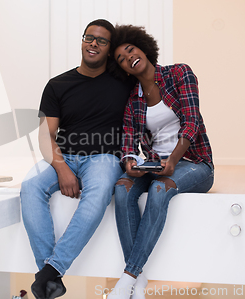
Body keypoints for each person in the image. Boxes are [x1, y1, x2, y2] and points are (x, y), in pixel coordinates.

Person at [20, 19, 134, 299]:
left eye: (102, 40)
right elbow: (46, 134)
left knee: (97, 194)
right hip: (65, 155)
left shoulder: (123, 82)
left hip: (104, 157)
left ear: (110, 49)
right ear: (82, 41)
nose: (93, 43)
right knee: (30, 186)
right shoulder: (58, 85)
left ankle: (49, 271)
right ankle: (49, 274)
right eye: (89, 37)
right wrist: (62, 169)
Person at [106, 25, 214, 299]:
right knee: (122, 187)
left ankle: (127, 279)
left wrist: (173, 160)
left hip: (194, 162)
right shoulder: (133, 100)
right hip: (155, 163)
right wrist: (130, 161)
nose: (128, 57)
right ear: (124, 71)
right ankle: (139, 281)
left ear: (143, 47)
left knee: (159, 189)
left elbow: (192, 121)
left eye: (130, 49)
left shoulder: (179, 73)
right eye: (121, 58)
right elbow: (128, 140)